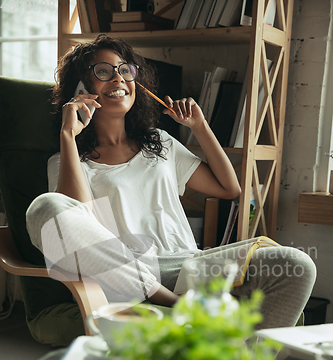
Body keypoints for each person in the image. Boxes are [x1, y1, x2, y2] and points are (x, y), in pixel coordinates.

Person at [26, 34, 316, 329]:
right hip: (123, 272)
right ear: (81, 87)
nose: (118, 78)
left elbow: (230, 188)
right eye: (103, 71)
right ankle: (165, 299)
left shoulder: (159, 143)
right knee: (45, 208)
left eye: (125, 70)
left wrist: (199, 127)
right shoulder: (66, 160)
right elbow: (77, 221)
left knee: (296, 264)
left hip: (189, 266)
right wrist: (68, 135)